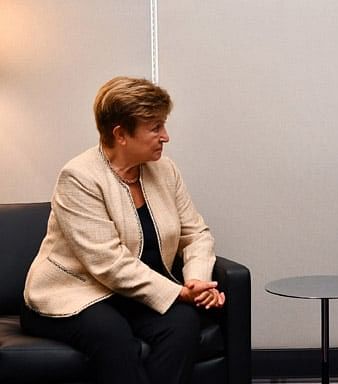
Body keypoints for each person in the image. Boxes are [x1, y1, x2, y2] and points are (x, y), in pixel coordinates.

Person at [21, 76, 225, 384]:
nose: (165, 136)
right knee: (111, 335)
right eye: (155, 127)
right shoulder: (79, 177)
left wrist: (196, 280)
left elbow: (195, 233)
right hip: (74, 293)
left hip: (130, 295)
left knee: (183, 323)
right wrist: (179, 293)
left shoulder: (165, 170)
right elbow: (108, 263)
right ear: (121, 134)